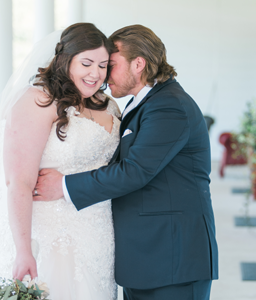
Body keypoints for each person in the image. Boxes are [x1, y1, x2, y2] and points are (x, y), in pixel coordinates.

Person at [33, 24, 219, 300]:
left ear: (139, 64)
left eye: (111, 65)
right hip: (146, 258)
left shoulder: (169, 106)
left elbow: (135, 171)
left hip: (172, 260)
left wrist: (64, 185)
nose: (104, 75)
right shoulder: (144, 103)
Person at [0, 23, 120, 300]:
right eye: (86, 63)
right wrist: (24, 250)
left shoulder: (109, 105)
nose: (96, 74)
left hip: (98, 232)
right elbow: (19, 181)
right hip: (49, 232)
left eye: (103, 65)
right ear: (65, 60)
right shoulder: (37, 100)